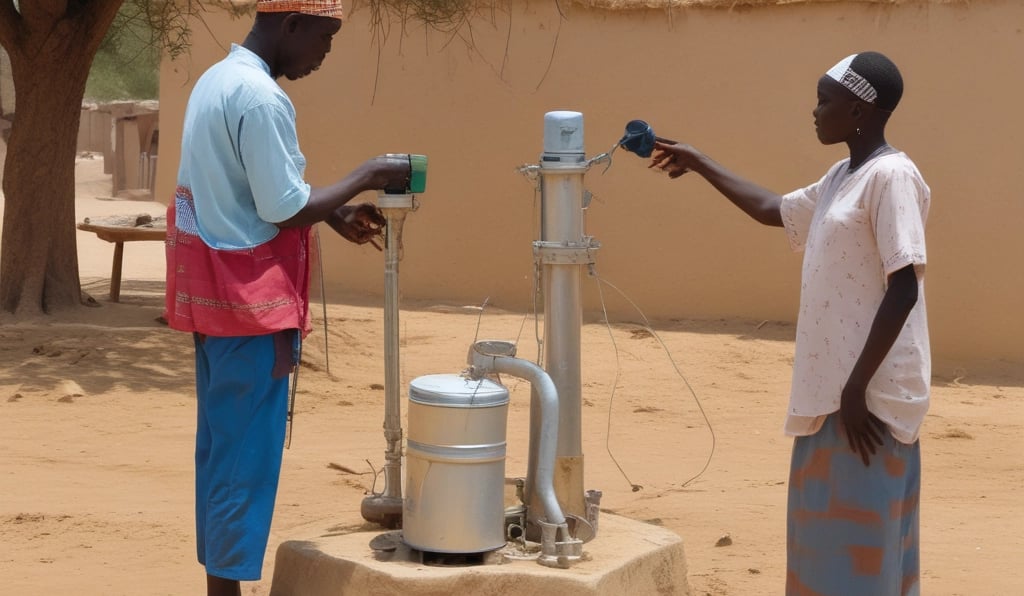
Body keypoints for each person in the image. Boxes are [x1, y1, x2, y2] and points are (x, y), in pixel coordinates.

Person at [651, 51, 929, 595]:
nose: (815, 111)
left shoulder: (892, 176)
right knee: (821, 555)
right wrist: (700, 161)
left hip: (865, 404)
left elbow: (904, 286)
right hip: (827, 399)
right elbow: (772, 209)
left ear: (859, 109)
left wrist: (855, 390)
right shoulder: (839, 177)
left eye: (825, 101)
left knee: (859, 559)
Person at [163, 2, 412, 595]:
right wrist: (370, 173)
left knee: (222, 454)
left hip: (214, 304)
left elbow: (254, 190)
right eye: (323, 40)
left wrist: (334, 213)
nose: (323, 55)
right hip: (249, 309)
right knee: (243, 465)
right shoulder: (262, 98)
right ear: (291, 25)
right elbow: (284, 208)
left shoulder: (218, 80)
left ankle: (218, 585)